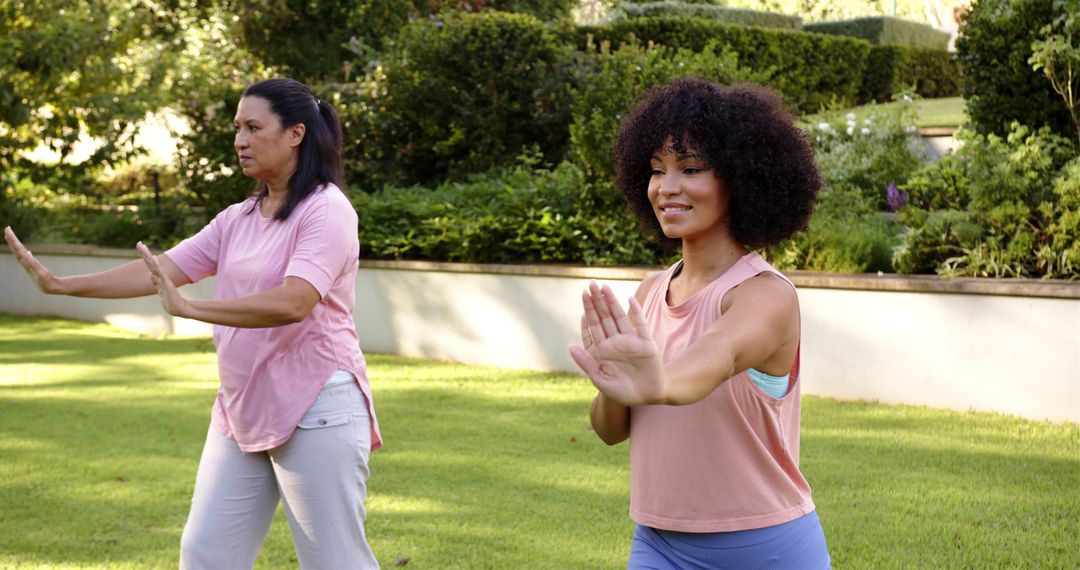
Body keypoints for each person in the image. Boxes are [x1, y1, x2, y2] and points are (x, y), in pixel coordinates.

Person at [4, 77, 381, 569]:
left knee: (334, 562)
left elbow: (294, 301)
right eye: (237, 128)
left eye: (253, 127)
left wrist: (192, 308)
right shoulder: (238, 218)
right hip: (241, 407)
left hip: (316, 406)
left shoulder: (326, 209)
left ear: (296, 134)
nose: (240, 140)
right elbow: (161, 270)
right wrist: (63, 284)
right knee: (207, 555)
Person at [568, 78, 830, 569]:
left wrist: (655, 379)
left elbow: (718, 355)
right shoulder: (650, 292)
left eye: (691, 169)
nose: (667, 188)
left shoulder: (765, 295)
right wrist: (613, 386)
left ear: (741, 178)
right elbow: (609, 431)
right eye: (656, 170)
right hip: (658, 543)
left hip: (765, 548)